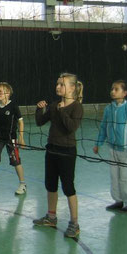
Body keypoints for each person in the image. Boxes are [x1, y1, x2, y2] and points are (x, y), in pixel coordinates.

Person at [33, 73, 84, 238]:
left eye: (61, 84)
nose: (58, 87)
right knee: (50, 185)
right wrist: (39, 109)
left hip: (67, 151)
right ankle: (51, 217)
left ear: (72, 88)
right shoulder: (55, 105)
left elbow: (71, 127)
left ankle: (74, 223)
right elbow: (40, 121)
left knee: (68, 187)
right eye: (57, 84)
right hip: (52, 150)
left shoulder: (77, 107)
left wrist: (62, 111)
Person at [93, 80, 127, 213]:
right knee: (114, 176)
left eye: (116, 89)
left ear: (125, 93)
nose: (112, 91)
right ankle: (118, 200)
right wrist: (98, 143)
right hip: (112, 149)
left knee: (126, 177)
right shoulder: (109, 109)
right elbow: (103, 127)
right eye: (112, 89)